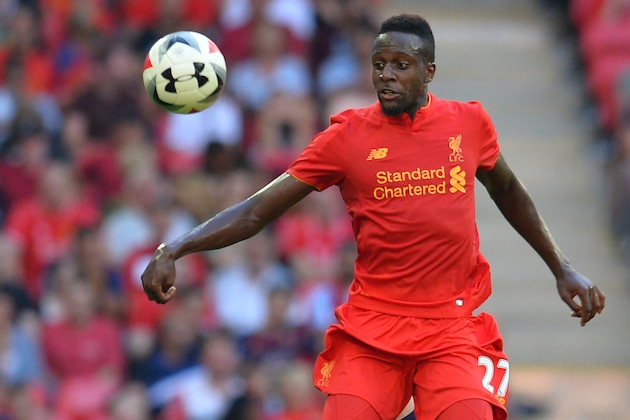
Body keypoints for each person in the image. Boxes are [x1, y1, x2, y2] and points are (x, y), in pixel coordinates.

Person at [141, 14, 606, 420]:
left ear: (429, 72)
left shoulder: (468, 123)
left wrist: (560, 265)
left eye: (400, 66)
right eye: (379, 65)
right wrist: (176, 247)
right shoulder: (346, 138)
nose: (386, 76)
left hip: (451, 327)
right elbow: (256, 211)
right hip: (372, 330)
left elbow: (507, 188)